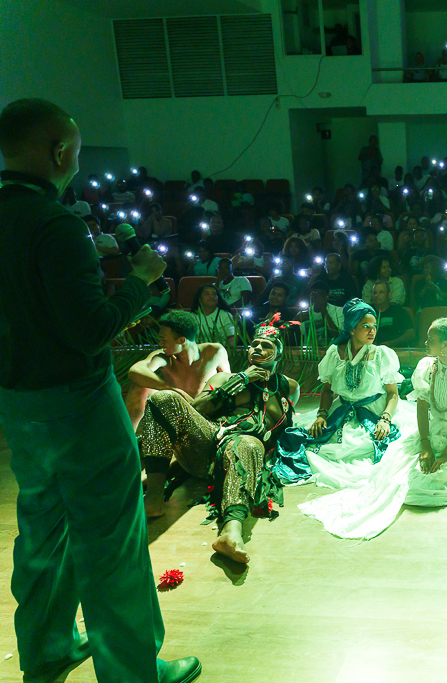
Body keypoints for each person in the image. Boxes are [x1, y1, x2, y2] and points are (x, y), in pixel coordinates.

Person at [0, 98, 201, 682]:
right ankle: (133, 671)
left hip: (17, 404)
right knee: (111, 539)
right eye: (77, 153)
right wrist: (139, 282)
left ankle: (47, 647)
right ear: (59, 151)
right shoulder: (54, 224)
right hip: (79, 407)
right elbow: (90, 331)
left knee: (43, 528)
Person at [300, 317, 447, 538]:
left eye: (431, 340)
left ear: (446, 346)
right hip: (432, 428)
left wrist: (446, 455)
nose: (425, 343)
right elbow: (421, 408)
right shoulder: (426, 367)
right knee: (397, 477)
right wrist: (426, 445)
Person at [138, 316, 299, 559]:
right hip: (207, 447)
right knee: (163, 399)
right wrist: (240, 380)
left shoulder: (289, 388)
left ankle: (230, 532)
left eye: (266, 346)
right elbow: (197, 411)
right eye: (254, 344)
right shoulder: (224, 378)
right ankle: (154, 497)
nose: (258, 348)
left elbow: (281, 431)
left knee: (247, 442)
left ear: (278, 353)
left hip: (246, 455)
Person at [277, 299, 402, 489]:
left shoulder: (381, 354)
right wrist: (321, 414)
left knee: (370, 448)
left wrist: (385, 419)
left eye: (374, 326)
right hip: (341, 407)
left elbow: (393, 394)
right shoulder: (335, 353)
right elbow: (327, 390)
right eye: (365, 326)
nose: (372, 331)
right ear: (351, 329)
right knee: (313, 443)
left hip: (374, 409)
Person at [125, 310, 230, 430]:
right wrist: (170, 389)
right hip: (174, 416)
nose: (160, 343)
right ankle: (129, 440)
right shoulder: (163, 356)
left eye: (164, 340)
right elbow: (135, 370)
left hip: (206, 418)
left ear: (181, 340)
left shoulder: (214, 352)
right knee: (141, 386)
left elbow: (230, 384)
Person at [299, 280, 344, 349]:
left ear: (327, 295)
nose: (315, 298)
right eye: (313, 295)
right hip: (309, 354)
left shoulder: (338, 311)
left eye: (319, 295)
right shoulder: (304, 313)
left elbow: (336, 336)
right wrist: (295, 320)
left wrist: (323, 310)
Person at [371, 280, 415, 347]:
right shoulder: (366, 313)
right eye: (374, 292)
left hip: (396, 351)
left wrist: (392, 343)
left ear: (389, 295)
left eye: (381, 292)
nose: (377, 295)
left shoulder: (400, 312)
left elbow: (411, 334)